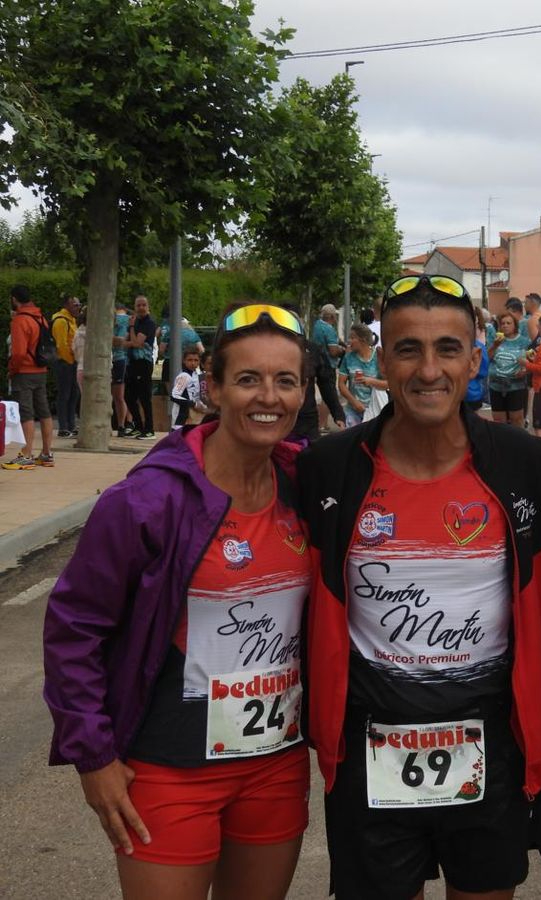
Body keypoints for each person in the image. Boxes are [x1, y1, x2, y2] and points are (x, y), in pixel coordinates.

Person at [296, 273, 541, 900]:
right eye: (408, 349)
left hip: (491, 744)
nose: (428, 370)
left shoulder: (524, 463)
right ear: (381, 363)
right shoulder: (327, 467)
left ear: (474, 360)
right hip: (369, 747)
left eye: (447, 349)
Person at [43, 303, 313, 899]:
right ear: (212, 387)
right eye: (248, 379)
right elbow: (74, 629)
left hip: (275, 762)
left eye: (285, 380)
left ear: (303, 392)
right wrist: (94, 758)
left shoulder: (307, 483)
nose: (268, 397)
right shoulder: (146, 501)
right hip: (169, 768)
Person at [3, 284, 55, 469]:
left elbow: (18, 353)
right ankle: (47, 454)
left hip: (24, 372)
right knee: (44, 411)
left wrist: (12, 370)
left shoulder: (20, 320)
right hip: (41, 370)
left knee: (26, 413)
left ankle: (26, 455)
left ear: (14, 299)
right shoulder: (40, 318)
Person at [337, 323, 386, 428]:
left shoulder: (377, 358)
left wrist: (370, 381)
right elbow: (341, 384)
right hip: (353, 411)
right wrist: (354, 402)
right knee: (353, 437)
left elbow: (389, 384)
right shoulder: (348, 358)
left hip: (374, 410)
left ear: (363, 340)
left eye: (352, 338)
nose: (349, 341)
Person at [487, 310, 530, 427]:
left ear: (515, 325)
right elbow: (487, 358)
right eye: (503, 323)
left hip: (516, 386)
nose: (505, 326)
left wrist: (526, 370)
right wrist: (495, 345)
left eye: (508, 323)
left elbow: (533, 361)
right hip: (496, 386)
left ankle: (518, 439)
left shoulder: (524, 342)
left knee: (516, 420)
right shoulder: (496, 339)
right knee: (499, 422)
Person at [125, 295, 157, 439]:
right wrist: (131, 341)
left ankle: (149, 429)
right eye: (138, 305)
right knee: (129, 396)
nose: (141, 308)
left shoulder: (149, 323)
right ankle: (138, 426)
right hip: (132, 362)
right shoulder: (135, 321)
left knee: (144, 397)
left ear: (148, 306)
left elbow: (137, 343)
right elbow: (124, 342)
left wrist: (132, 330)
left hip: (144, 363)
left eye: (144, 305)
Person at [50, 293, 81, 437]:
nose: (78, 307)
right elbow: (61, 345)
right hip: (64, 363)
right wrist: (70, 361)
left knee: (73, 394)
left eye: (79, 305)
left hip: (72, 362)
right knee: (64, 394)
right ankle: (63, 427)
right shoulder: (61, 321)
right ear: (66, 305)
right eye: (75, 305)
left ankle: (71, 425)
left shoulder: (72, 320)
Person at [313, 303, 348, 432]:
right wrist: (344, 350)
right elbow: (333, 351)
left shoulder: (317, 325)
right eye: (335, 316)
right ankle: (333, 423)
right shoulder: (329, 329)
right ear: (332, 317)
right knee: (330, 395)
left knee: (325, 394)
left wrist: (341, 343)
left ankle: (322, 423)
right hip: (328, 365)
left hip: (318, 363)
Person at [168, 345, 212, 429]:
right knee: (178, 436)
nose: (193, 363)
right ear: (184, 361)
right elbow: (174, 396)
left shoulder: (197, 376)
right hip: (181, 418)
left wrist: (203, 407)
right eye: (190, 360)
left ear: (199, 362)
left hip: (193, 417)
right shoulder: (184, 376)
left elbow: (196, 395)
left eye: (196, 360)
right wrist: (193, 404)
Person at [112, 301, 133, 437]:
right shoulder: (129, 319)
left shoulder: (120, 320)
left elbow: (120, 340)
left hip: (116, 358)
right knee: (120, 396)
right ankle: (123, 425)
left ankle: (120, 425)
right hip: (122, 359)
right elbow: (121, 340)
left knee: (115, 396)